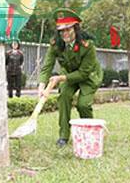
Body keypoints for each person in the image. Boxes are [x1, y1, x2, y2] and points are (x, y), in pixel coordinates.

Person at [39, 8, 102, 148]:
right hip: (67, 75)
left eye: (68, 29)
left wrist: (60, 78)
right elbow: (47, 65)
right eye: (62, 30)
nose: (65, 34)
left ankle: (90, 132)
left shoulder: (87, 45)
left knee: (83, 105)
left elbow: (84, 73)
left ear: (76, 28)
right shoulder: (56, 44)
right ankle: (63, 136)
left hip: (88, 76)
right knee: (63, 98)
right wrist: (42, 84)